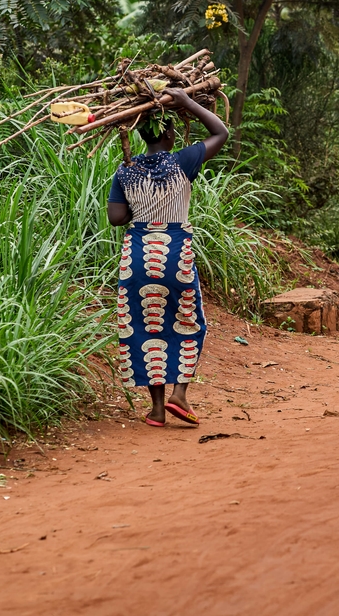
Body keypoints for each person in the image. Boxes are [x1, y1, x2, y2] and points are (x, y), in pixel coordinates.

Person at [106, 87, 230, 428]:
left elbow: (116, 218)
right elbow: (221, 132)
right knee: (188, 320)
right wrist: (188, 102)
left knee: (148, 325)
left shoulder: (125, 170)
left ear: (141, 135)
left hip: (139, 254)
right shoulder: (183, 161)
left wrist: (142, 206)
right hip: (175, 250)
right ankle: (180, 395)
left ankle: (158, 410)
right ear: (171, 133)